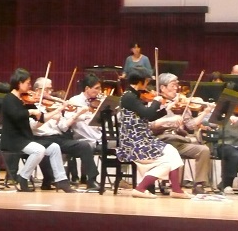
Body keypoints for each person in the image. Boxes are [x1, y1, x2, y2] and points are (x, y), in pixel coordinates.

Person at [118, 69, 191, 199]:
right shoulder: (128, 96)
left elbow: (149, 117)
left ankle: (176, 190)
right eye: (146, 82)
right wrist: (156, 101)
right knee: (167, 162)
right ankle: (140, 188)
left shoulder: (134, 96)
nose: (147, 86)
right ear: (140, 82)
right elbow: (148, 114)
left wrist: (166, 109)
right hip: (134, 142)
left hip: (142, 139)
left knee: (172, 152)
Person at [0, 68, 75, 193]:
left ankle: (61, 180)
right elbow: (15, 115)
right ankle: (23, 177)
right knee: (39, 150)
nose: (30, 86)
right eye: (28, 83)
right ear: (19, 83)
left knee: (54, 147)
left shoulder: (24, 99)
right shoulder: (9, 99)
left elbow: (41, 118)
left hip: (26, 138)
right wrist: (30, 111)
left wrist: (58, 109)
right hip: (13, 139)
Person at [31, 77, 100, 192]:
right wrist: (52, 114)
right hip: (41, 138)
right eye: (47, 89)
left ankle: (91, 180)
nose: (50, 92)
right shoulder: (33, 107)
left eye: (51, 89)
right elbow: (34, 127)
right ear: (38, 91)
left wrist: (76, 114)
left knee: (84, 146)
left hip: (58, 138)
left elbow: (63, 127)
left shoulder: (52, 106)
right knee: (52, 147)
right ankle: (50, 179)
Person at [149, 73, 213, 195]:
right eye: (173, 85)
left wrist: (205, 112)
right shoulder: (155, 103)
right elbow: (150, 124)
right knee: (171, 153)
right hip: (161, 140)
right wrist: (170, 120)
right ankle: (167, 183)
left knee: (203, 150)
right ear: (162, 88)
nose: (176, 88)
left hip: (178, 140)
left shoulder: (182, 105)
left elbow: (190, 125)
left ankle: (199, 185)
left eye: (177, 85)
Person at [65, 73, 104, 149]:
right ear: (87, 88)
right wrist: (85, 116)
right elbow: (67, 117)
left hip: (100, 138)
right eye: (96, 88)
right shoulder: (75, 100)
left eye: (100, 88)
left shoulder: (98, 101)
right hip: (84, 140)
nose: (99, 91)